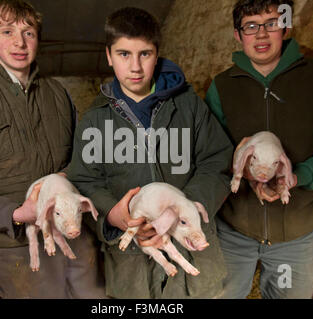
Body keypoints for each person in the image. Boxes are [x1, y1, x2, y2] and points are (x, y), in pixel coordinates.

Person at [0, 0, 106, 298]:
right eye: (6, 32)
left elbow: (81, 164)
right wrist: (18, 213)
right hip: (18, 250)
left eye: (28, 33)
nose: (19, 42)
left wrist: (71, 178)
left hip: (76, 238)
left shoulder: (59, 94)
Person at [66, 7, 233, 299]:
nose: (135, 67)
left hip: (194, 264)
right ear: (108, 55)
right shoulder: (95, 119)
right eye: (124, 54)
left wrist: (186, 208)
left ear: (157, 54)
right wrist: (114, 216)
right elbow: (85, 182)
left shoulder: (188, 106)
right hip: (133, 272)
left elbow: (217, 161)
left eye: (145, 54)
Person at [205, 0, 313, 299]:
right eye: (251, 26)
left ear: (286, 27)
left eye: (271, 23)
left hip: (296, 235)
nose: (261, 35)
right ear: (238, 35)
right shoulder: (222, 86)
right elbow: (212, 150)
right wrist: (247, 176)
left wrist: (293, 178)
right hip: (234, 231)